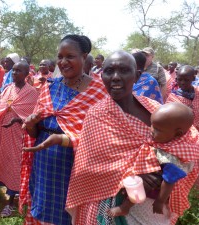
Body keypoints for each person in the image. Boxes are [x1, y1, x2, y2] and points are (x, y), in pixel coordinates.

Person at [66, 51, 198, 225]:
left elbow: (189, 141)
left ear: (137, 76)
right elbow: (88, 166)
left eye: (124, 70)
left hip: (154, 205)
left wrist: (164, 168)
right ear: (101, 76)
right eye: (109, 71)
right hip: (110, 201)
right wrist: (132, 174)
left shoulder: (154, 108)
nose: (115, 77)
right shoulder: (97, 114)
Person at [20, 34, 107, 225]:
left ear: (84, 57)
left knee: (68, 216)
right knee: (41, 211)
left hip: (74, 168)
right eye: (60, 57)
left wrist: (65, 139)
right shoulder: (49, 87)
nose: (63, 62)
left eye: (70, 56)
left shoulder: (99, 92)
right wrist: (32, 124)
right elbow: (36, 133)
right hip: (43, 165)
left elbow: (101, 138)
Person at [107, 102, 198, 217]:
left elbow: (169, 182)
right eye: (152, 125)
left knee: (148, 179)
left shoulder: (173, 157)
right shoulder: (169, 137)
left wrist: (159, 201)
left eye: (157, 129)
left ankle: (125, 207)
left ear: (178, 133)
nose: (151, 130)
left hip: (158, 187)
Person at [0, 61, 39, 217]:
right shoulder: (8, 89)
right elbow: (1, 110)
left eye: (19, 71)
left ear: (26, 74)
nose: (15, 73)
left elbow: (34, 118)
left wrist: (18, 120)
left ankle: (11, 201)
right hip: (4, 134)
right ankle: (8, 194)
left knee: (16, 164)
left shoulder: (32, 93)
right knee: (5, 162)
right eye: (14, 70)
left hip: (19, 135)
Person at [167, 65, 199, 130]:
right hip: (185, 132)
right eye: (179, 79)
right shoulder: (172, 98)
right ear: (176, 79)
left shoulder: (197, 92)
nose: (183, 82)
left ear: (193, 78)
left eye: (186, 80)